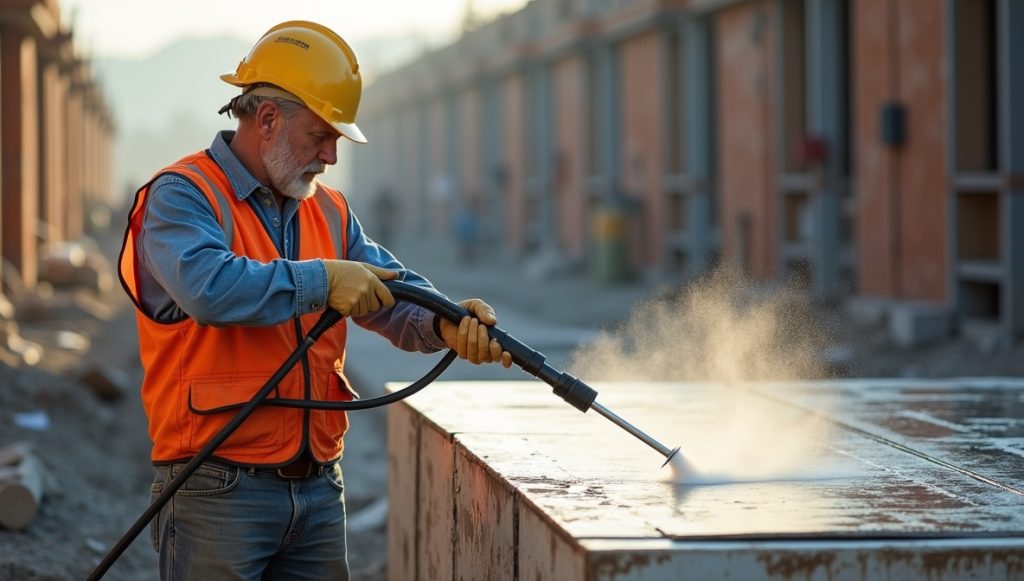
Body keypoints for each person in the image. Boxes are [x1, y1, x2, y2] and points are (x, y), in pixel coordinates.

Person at [117, 21, 511, 580]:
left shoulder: (327, 209)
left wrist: (447, 322)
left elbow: (389, 290)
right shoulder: (183, 195)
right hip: (215, 487)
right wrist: (323, 281)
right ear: (267, 119)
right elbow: (209, 288)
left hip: (319, 487)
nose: (330, 155)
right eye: (320, 135)